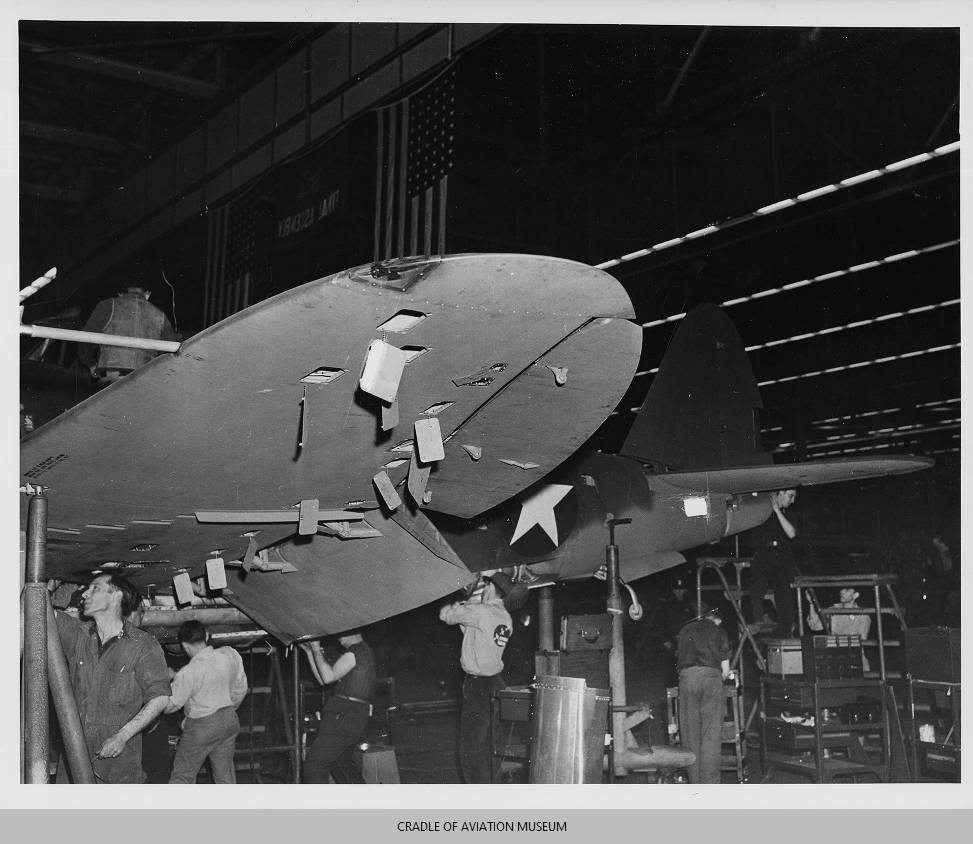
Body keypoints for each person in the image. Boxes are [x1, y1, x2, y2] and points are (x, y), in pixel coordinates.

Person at [53, 573, 171, 783]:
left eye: (95, 588)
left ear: (116, 596)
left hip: (115, 765)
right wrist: (54, 588)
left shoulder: (143, 645)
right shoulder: (77, 635)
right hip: (72, 759)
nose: (85, 594)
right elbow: (39, 611)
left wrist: (122, 736)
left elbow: (160, 697)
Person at [438, 571, 528, 783]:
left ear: (489, 587)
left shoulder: (480, 611)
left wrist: (455, 604)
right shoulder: (505, 617)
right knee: (492, 743)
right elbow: (474, 634)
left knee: (471, 746)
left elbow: (446, 616)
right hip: (496, 683)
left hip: (477, 685)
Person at [166, 620, 248, 784]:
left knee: (183, 775)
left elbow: (170, 706)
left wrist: (164, 685)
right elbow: (241, 687)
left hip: (203, 726)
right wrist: (227, 710)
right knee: (225, 775)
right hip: (230, 720)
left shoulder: (188, 672)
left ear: (184, 645)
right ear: (207, 636)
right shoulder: (229, 654)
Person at [299, 630, 375, 783]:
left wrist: (315, 649)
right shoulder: (361, 652)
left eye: (341, 633)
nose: (338, 639)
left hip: (344, 715)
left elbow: (328, 677)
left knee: (314, 766)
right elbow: (322, 678)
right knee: (340, 764)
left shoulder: (356, 651)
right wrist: (309, 653)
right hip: (351, 715)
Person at [676, 604, 732, 784]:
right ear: (716, 618)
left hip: (686, 679)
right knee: (711, 734)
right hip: (710, 679)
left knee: (690, 734)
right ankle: (710, 786)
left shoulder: (684, 630)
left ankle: (694, 784)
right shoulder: (718, 631)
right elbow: (725, 670)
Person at [81, 285, 176, 384]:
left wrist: (91, 364)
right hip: (145, 376)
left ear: (120, 294)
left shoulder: (108, 305)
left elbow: (85, 339)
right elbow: (170, 353)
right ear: (147, 294)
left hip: (111, 376)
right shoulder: (161, 315)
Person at [746, 488, 798, 635]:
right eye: (790, 496)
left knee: (784, 591)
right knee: (757, 583)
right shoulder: (763, 510)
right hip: (764, 552)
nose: (792, 500)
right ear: (780, 493)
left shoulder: (788, 514)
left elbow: (792, 533)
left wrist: (777, 511)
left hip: (781, 554)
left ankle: (786, 627)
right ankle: (758, 619)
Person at [807, 587, 872, 671]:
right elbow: (814, 625)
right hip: (835, 656)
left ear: (855, 595)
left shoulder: (862, 615)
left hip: (854, 657)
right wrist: (811, 604)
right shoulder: (833, 610)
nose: (842, 592)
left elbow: (862, 640)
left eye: (847, 590)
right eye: (842, 589)